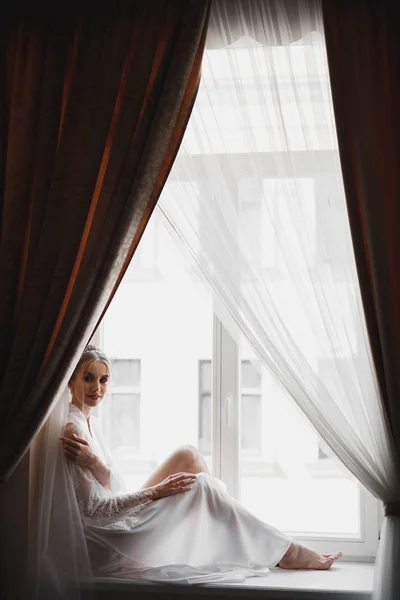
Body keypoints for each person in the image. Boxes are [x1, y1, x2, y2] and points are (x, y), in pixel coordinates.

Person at [60, 345, 341, 582]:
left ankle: (223, 524)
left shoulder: (90, 422)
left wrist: (96, 463)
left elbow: (112, 483)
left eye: (104, 379)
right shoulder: (75, 430)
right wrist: (157, 492)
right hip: (105, 542)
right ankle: (286, 551)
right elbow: (95, 512)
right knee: (202, 485)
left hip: (115, 520)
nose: (97, 388)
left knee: (188, 455)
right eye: (88, 378)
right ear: (71, 381)